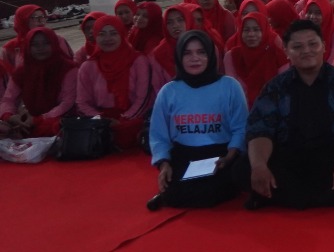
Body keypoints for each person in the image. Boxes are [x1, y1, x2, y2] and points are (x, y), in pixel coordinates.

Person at [237, 20, 334, 209]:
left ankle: (281, 196)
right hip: (289, 157)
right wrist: (259, 166)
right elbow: (260, 129)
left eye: (312, 44)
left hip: (332, 156)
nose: (306, 50)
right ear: (287, 52)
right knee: (243, 167)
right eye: (297, 46)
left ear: (324, 46)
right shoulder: (275, 86)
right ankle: (316, 196)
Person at [146, 31, 248, 211]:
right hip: (185, 154)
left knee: (220, 187)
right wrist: (164, 164)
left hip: (221, 155)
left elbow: (240, 128)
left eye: (201, 52)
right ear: (179, 57)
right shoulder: (169, 91)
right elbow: (158, 135)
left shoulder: (230, 86)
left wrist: (230, 156)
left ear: (210, 54)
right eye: (187, 53)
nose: (195, 58)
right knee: (177, 192)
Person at [74, 14, 159, 150]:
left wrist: (123, 119)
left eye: (113, 33)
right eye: (102, 34)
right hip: (100, 122)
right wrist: (102, 120)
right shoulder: (88, 66)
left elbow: (144, 99)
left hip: (131, 120)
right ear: (95, 37)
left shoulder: (138, 61)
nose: (108, 39)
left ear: (122, 34)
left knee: (130, 130)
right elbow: (82, 102)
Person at [0, 27, 77, 139]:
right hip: (28, 119)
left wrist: (39, 119)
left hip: (58, 117)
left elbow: (67, 102)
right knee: (6, 127)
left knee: (55, 127)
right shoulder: (22, 71)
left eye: (46, 43)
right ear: (27, 47)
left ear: (55, 44)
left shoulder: (69, 68)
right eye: (34, 44)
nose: (40, 48)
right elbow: (8, 99)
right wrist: (9, 116)